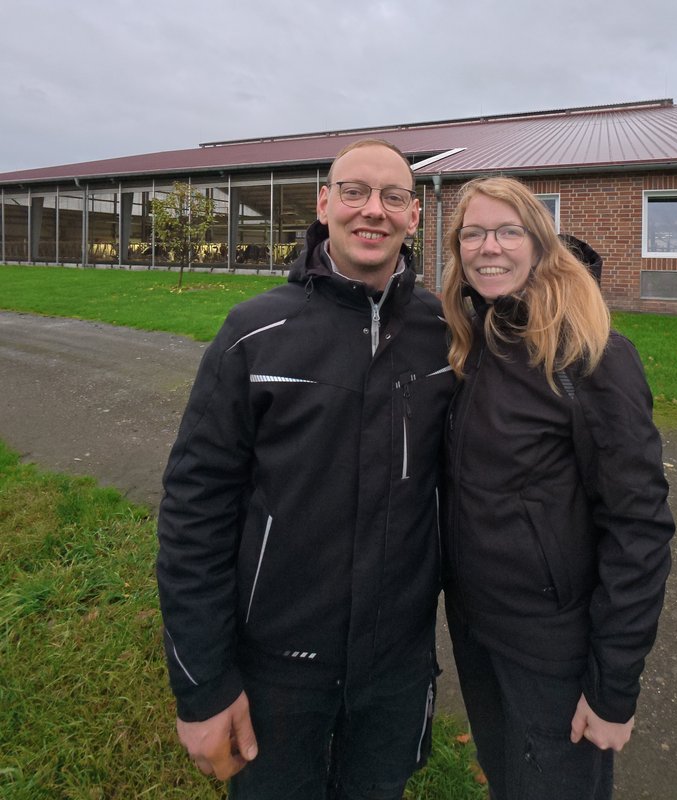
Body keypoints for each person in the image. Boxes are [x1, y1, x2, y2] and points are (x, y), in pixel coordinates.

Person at [156, 138, 454, 799]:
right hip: (276, 673)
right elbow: (194, 511)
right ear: (324, 204)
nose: (372, 210)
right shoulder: (254, 333)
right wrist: (202, 685)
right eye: (354, 191)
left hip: (396, 673)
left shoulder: (445, 337)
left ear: (414, 215)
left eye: (393, 196)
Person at [440, 175, 675, 800]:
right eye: (473, 233)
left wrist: (612, 687)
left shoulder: (589, 357)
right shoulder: (476, 341)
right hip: (477, 630)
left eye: (508, 231)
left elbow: (639, 527)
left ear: (540, 245)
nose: (489, 247)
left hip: (554, 648)